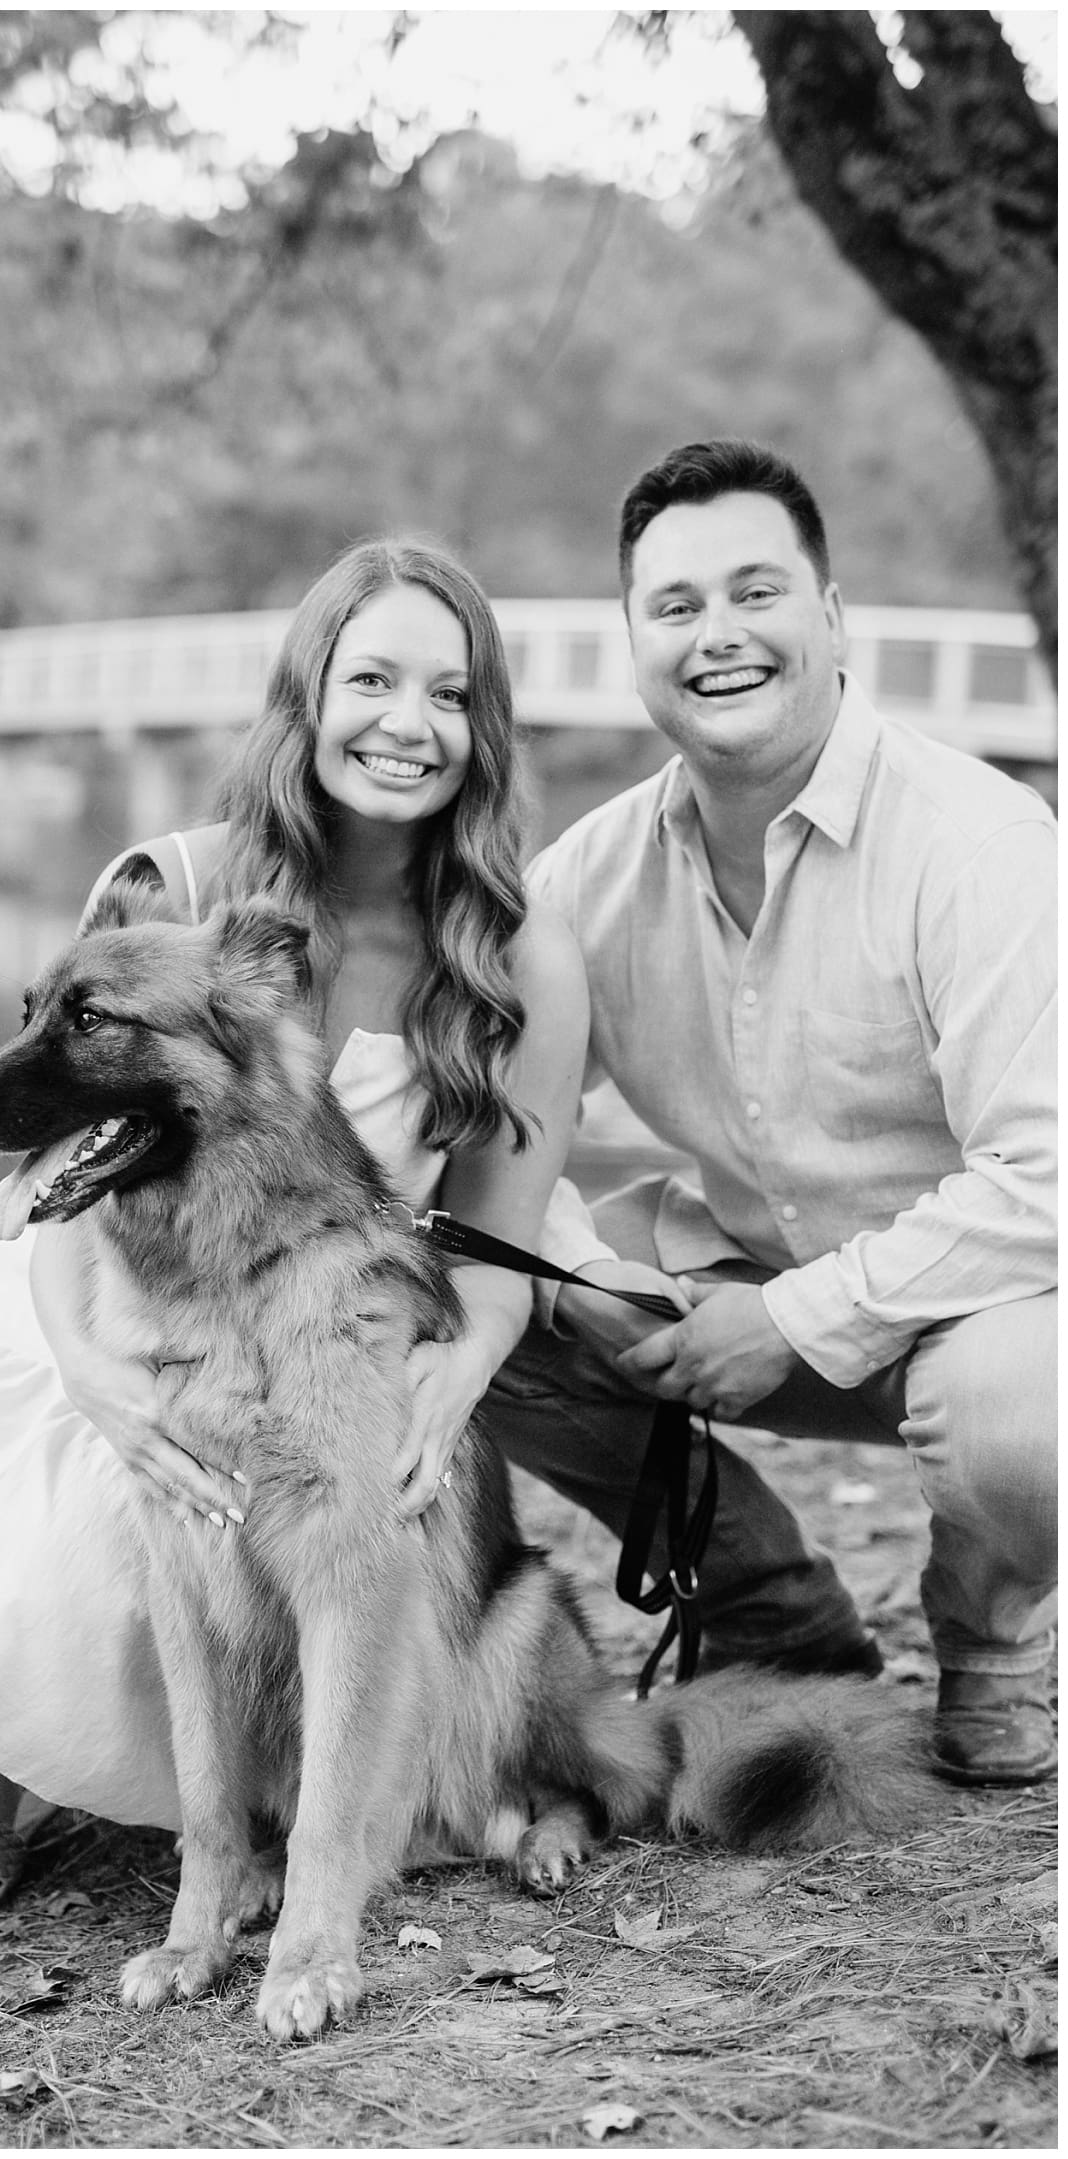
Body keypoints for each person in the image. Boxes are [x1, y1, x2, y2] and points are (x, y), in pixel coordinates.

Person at [0, 535, 624, 1919]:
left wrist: (459, 1372)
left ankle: (426, 1790)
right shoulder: (176, 884)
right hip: (112, 1278)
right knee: (83, 1467)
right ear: (306, 700)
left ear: (484, 730)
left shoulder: (517, 947)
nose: (406, 724)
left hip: (338, 1296)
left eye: (448, 694)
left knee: (385, 1508)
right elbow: (66, 1158)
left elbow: (501, 1232)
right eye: (371, 679)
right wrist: (89, 1369)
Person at [479, 438, 1057, 1788]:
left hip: (974, 1316)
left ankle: (993, 1645)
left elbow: (1048, 1179)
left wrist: (794, 1319)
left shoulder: (979, 848)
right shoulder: (593, 877)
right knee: (469, 1290)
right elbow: (497, 1134)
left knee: (1029, 1413)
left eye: (757, 593)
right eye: (676, 607)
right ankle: (775, 1607)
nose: (717, 635)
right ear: (634, 642)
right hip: (734, 1279)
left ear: (833, 617)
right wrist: (583, 1271)